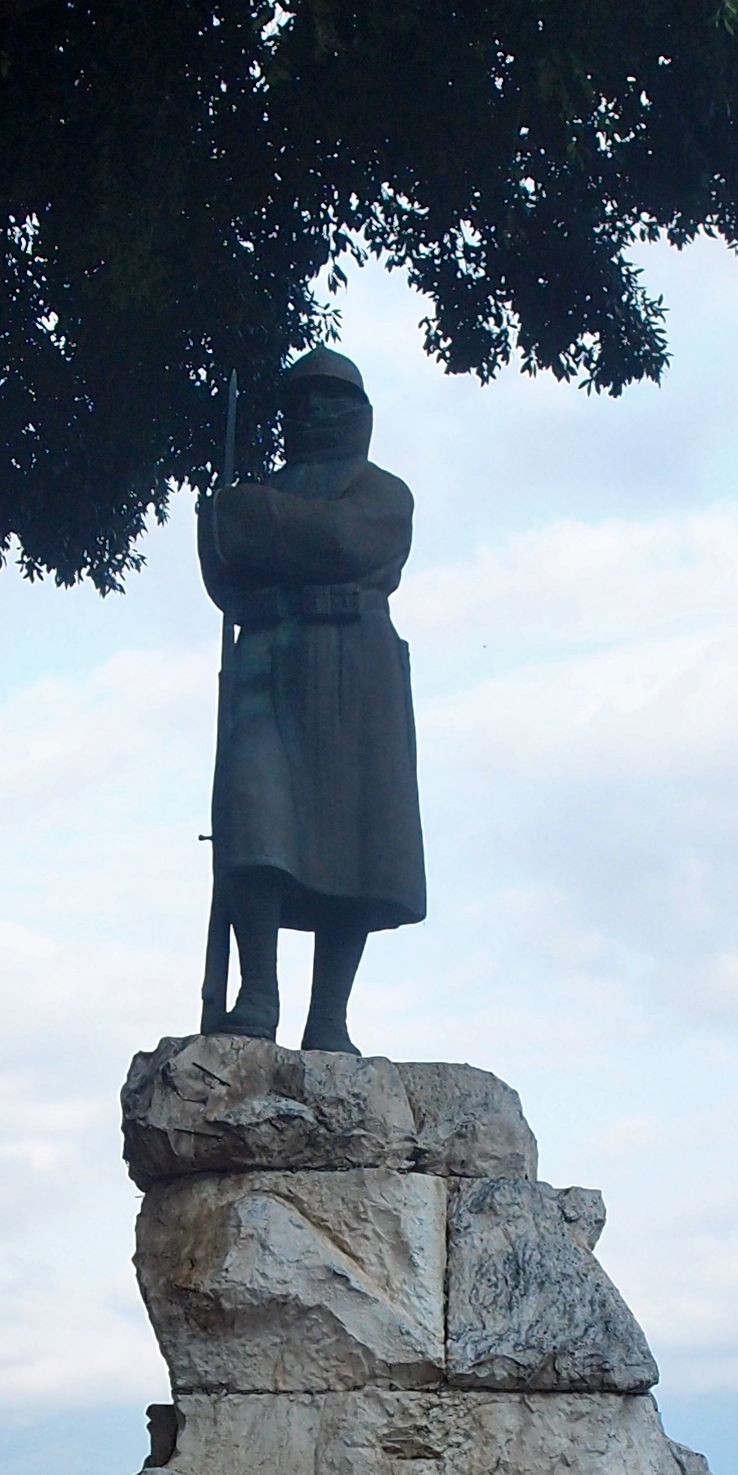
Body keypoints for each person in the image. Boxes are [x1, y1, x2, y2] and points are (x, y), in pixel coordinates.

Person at [197, 348, 425, 1052]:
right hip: (267, 656)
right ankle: (257, 992)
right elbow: (223, 569)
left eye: (329, 398)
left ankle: (330, 1015)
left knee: (355, 838)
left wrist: (261, 516)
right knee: (253, 816)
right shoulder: (253, 492)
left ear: (358, 411)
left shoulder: (384, 491)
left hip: (357, 665)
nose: (315, 412)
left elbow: (345, 541)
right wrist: (247, 524)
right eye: (302, 400)